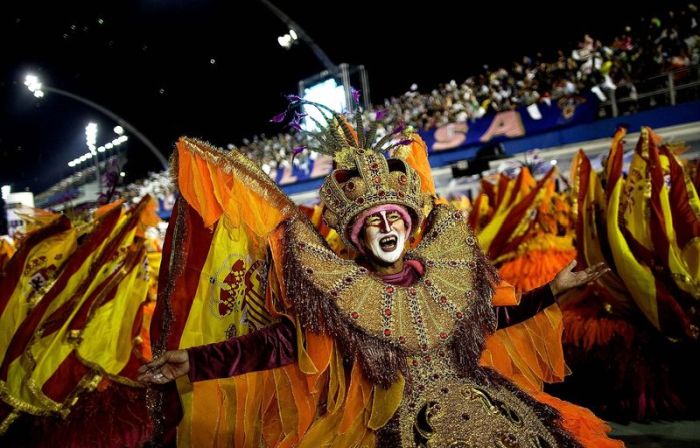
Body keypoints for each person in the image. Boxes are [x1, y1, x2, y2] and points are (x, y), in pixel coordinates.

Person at [139, 105, 618, 447]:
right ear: (355, 234)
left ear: (410, 229)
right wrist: (195, 361)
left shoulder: (443, 278)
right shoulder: (341, 293)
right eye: (375, 221)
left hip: (484, 405)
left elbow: (490, 319)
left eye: (395, 219)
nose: (387, 228)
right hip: (392, 426)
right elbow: (281, 344)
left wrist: (553, 290)